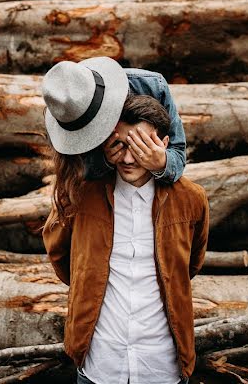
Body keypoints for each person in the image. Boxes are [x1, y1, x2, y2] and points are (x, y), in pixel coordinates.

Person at [42, 91, 209, 384]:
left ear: (165, 145)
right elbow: (58, 252)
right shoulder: (84, 194)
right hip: (100, 362)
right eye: (120, 145)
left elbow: (190, 264)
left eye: (141, 146)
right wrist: (88, 283)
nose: (129, 158)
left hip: (162, 364)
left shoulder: (191, 199)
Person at [41, 57, 187, 185]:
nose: (128, 159)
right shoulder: (61, 108)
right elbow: (72, 175)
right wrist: (103, 161)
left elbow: (178, 152)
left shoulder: (152, 86)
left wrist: (162, 162)